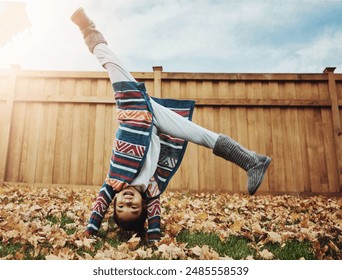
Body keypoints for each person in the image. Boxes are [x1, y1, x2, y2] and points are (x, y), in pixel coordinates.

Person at [71, 8, 272, 242]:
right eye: (134, 208)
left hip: (133, 111)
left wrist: (90, 231)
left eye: (120, 207)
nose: (127, 202)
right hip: (156, 123)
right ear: (143, 205)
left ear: (112, 202)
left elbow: (98, 207)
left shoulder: (112, 181)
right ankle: (252, 161)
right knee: (201, 135)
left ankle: (87, 28)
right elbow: (155, 215)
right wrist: (154, 238)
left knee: (111, 62)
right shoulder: (151, 189)